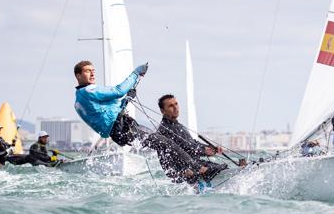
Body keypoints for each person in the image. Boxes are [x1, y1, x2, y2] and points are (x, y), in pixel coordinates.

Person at [73, 60, 225, 184]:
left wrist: (126, 101)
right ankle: (199, 169)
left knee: (161, 144)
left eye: (93, 70)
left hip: (119, 131)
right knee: (165, 143)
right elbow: (118, 91)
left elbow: (105, 118)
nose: (92, 73)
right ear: (78, 76)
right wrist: (135, 74)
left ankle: (187, 172)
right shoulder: (88, 90)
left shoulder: (79, 100)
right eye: (87, 71)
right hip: (124, 128)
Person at [156, 94, 227, 175]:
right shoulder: (164, 129)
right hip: (182, 170)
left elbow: (192, 143)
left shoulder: (178, 125)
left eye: (176, 104)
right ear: (162, 111)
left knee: (225, 168)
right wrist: (204, 151)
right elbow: (184, 148)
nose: (176, 108)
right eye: (171, 106)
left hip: (194, 164)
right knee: (222, 169)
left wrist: (210, 148)